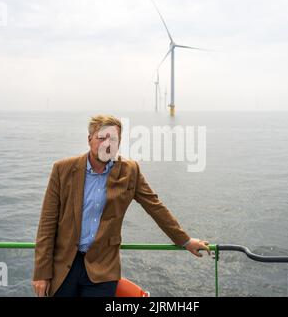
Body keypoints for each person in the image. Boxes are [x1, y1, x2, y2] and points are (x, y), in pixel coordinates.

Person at [31, 114, 210, 297]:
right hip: (64, 266)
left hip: (103, 268)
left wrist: (185, 241)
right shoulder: (63, 169)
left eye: (113, 139)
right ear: (89, 139)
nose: (107, 144)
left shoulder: (130, 171)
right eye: (101, 137)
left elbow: (155, 207)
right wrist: (41, 273)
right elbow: (47, 224)